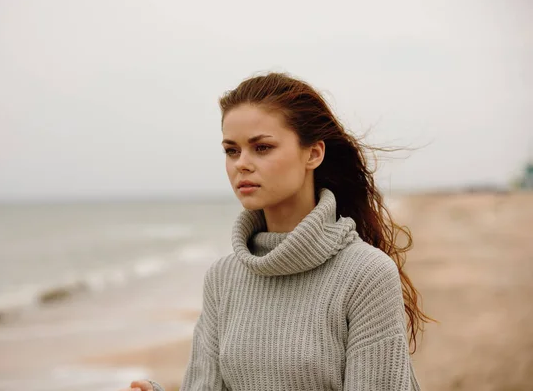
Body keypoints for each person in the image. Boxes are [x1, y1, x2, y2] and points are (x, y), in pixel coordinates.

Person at [122, 72, 431, 391]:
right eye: (232, 150)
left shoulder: (366, 274)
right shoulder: (223, 279)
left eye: (262, 148)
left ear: (313, 153)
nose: (242, 163)